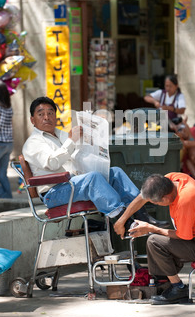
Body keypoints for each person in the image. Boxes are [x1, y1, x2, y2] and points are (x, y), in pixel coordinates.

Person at [22, 96, 165, 227]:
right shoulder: (33, 143)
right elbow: (52, 163)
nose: (46, 117)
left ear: (55, 116)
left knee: (115, 172)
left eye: (50, 113)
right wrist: (72, 141)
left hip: (73, 184)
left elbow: (80, 153)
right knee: (93, 179)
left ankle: (142, 213)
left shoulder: (61, 134)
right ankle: (124, 219)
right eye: (41, 114)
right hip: (53, 193)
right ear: (32, 120)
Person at [114, 172, 195, 304]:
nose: (154, 204)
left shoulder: (184, 202)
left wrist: (151, 228)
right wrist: (121, 220)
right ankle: (162, 280)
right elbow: (142, 197)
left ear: (165, 198)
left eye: (155, 202)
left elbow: (183, 236)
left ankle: (178, 288)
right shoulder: (173, 179)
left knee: (154, 242)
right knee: (161, 241)